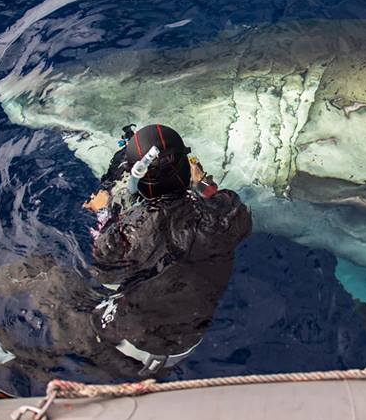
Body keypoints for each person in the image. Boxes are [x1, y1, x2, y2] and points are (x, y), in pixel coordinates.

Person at [80, 123, 252, 376]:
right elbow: (219, 205)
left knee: (39, 274)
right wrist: (201, 183)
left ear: (137, 179)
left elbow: (105, 273)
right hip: (187, 346)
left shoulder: (130, 234)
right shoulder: (229, 212)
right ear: (187, 168)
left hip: (125, 352)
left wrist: (103, 211)